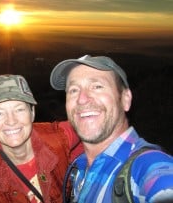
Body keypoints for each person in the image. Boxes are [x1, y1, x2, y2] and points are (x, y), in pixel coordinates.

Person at [50, 55, 173, 203]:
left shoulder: (149, 167)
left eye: (97, 86)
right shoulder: (79, 169)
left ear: (125, 99)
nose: (82, 99)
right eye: (74, 90)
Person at [0, 74, 83, 203]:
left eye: (19, 109)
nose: (11, 121)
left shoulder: (59, 136)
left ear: (32, 113)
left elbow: (96, 131)